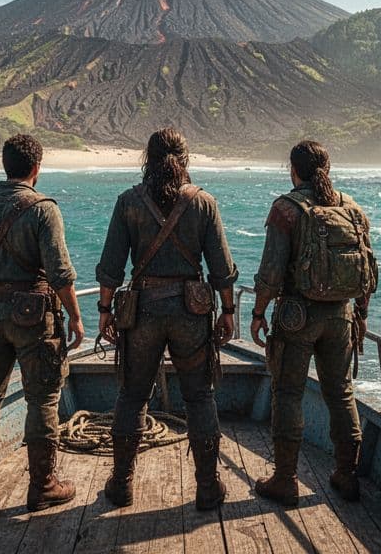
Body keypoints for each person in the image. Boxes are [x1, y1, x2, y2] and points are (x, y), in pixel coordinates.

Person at [95, 128, 239, 511]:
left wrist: (104, 311)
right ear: (185, 159)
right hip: (192, 314)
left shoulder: (128, 202)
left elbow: (110, 268)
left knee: (132, 395)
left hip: (142, 312)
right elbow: (222, 269)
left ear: (148, 159)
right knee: (199, 396)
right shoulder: (204, 203)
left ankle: (122, 484)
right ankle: (208, 486)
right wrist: (228, 312)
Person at [0, 134, 86, 512]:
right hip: (33, 317)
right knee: (42, 398)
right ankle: (43, 485)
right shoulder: (44, 209)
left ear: (5, 165)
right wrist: (74, 316)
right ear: (36, 169)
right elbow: (60, 274)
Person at [249, 140, 377, 506]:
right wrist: (361, 316)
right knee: (341, 393)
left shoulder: (286, 209)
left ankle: (285, 479)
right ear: (328, 168)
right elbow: (367, 271)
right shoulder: (351, 208)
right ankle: (346, 474)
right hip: (342, 317)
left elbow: (271, 272)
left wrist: (258, 314)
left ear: (294, 170)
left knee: (288, 393)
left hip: (296, 317)